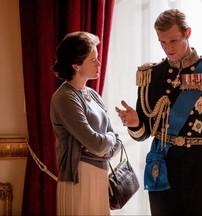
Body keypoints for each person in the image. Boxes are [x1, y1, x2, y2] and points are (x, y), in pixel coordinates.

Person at [116, 9, 202, 216]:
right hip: (164, 165)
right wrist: (134, 123)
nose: (168, 48)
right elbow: (144, 133)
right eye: (162, 42)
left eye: (173, 40)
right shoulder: (152, 76)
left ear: (187, 33)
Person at [50, 31, 122, 215]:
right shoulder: (65, 98)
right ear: (76, 65)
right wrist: (104, 143)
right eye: (93, 60)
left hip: (99, 174)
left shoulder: (92, 94)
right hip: (79, 177)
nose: (99, 63)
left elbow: (115, 140)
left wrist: (103, 146)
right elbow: (96, 143)